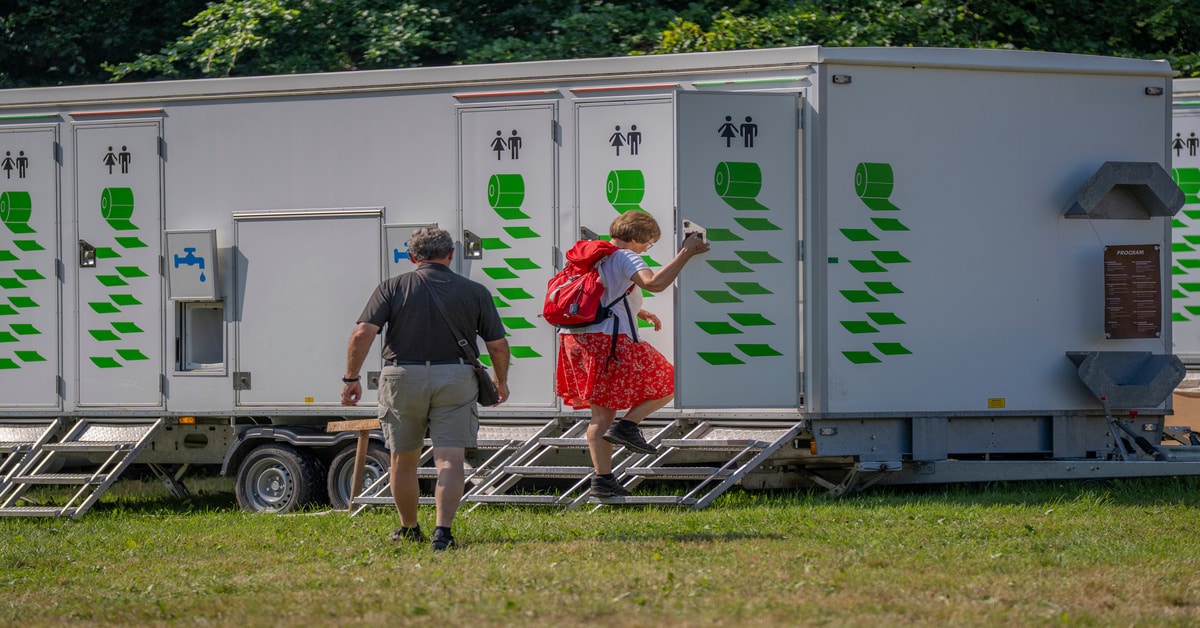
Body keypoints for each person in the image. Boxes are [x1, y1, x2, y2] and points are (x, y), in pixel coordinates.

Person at [341, 227, 510, 550]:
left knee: (403, 461)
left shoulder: (392, 287)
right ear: (450, 255)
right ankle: (443, 533)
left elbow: (362, 333)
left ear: (411, 257)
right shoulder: (474, 291)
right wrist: (500, 381)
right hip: (456, 377)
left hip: (402, 377)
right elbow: (498, 345)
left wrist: (351, 378)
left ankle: (409, 528)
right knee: (450, 460)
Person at [555, 211, 709, 498]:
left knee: (600, 416)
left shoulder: (591, 255)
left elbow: (598, 296)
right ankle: (628, 426)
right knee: (674, 381)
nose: (646, 250)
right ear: (639, 238)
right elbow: (654, 283)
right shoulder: (626, 256)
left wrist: (639, 311)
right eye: (648, 245)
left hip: (576, 341)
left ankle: (603, 480)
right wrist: (685, 254)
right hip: (608, 342)